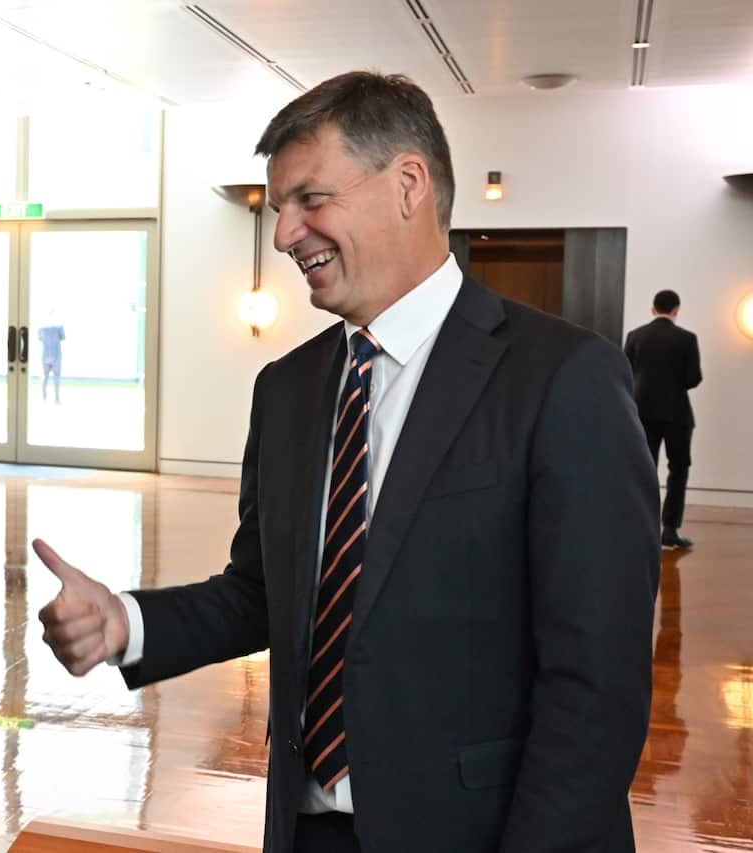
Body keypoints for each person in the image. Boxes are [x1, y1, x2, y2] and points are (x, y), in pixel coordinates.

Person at [35, 72, 659, 853]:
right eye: (278, 207)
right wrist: (125, 621)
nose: (284, 235)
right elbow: (263, 593)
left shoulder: (564, 379)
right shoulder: (287, 389)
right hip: (307, 829)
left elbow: (597, 687)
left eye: (310, 199)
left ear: (409, 185)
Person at [624, 289, 703, 549]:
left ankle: (641, 528)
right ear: (676, 309)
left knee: (644, 471)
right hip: (677, 415)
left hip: (642, 413)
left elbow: (626, 372)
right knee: (678, 470)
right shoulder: (687, 338)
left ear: (653, 309)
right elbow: (693, 378)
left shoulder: (635, 336)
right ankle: (669, 531)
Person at [38, 310, 66, 403]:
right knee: (56, 377)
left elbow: (39, 338)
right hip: (56, 354)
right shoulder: (59, 325)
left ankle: (43, 398)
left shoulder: (41, 327)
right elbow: (63, 337)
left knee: (44, 376)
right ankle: (57, 399)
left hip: (45, 354)